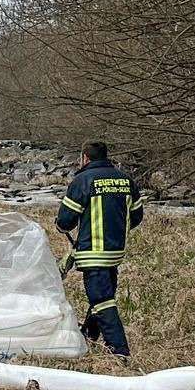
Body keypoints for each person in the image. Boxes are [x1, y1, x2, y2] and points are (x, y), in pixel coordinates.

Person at [55, 142, 144, 357]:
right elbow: (136, 216)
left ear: (85, 157)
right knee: (104, 294)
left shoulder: (82, 180)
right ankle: (88, 336)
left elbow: (65, 221)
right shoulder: (125, 180)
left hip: (92, 253)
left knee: (102, 301)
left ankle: (120, 351)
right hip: (115, 252)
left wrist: (60, 226)